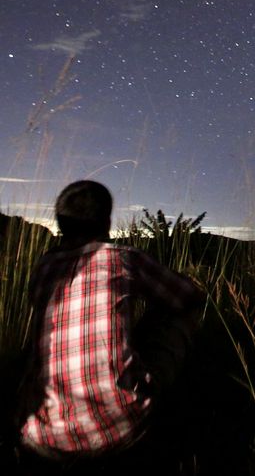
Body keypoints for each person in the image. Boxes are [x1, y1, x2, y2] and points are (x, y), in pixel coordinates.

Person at [18, 180, 203, 462]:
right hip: (119, 430)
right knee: (178, 310)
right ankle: (185, 406)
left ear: (60, 223)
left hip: (41, 438)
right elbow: (188, 296)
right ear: (106, 222)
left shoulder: (43, 267)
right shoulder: (123, 258)